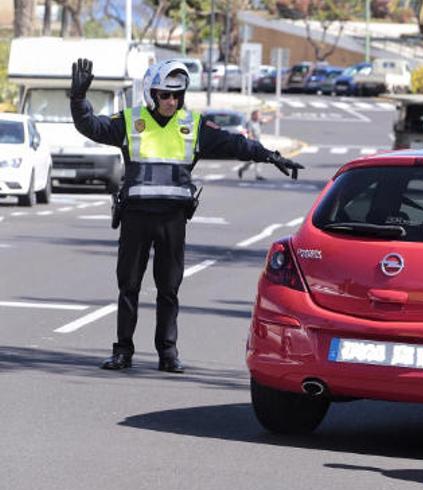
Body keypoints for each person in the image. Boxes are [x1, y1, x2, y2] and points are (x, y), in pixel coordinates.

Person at [69, 58, 303, 373]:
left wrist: (270, 156)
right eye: (165, 95)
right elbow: (91, 127)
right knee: (129, 287)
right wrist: (78, 99)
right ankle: (123, 351)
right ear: (151, 93)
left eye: (177, 96)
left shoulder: (192, 124)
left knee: (169, 289)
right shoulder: (129, 120)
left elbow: (235, 144)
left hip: (172, 220)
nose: (171, 101)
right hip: (136, 217)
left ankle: (168, 354)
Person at [238, 109, 271, 180]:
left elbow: (265, 121)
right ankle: (254, 174)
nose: (259, 117)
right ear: (253, 115)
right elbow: (249, 134)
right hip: (252, 144)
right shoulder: (250, 123)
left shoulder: (257, 122)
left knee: (255, 160)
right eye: (258, 115)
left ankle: (253, 173)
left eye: (260, 115)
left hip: (258, 143)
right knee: (255, 159)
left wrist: (274, 116)